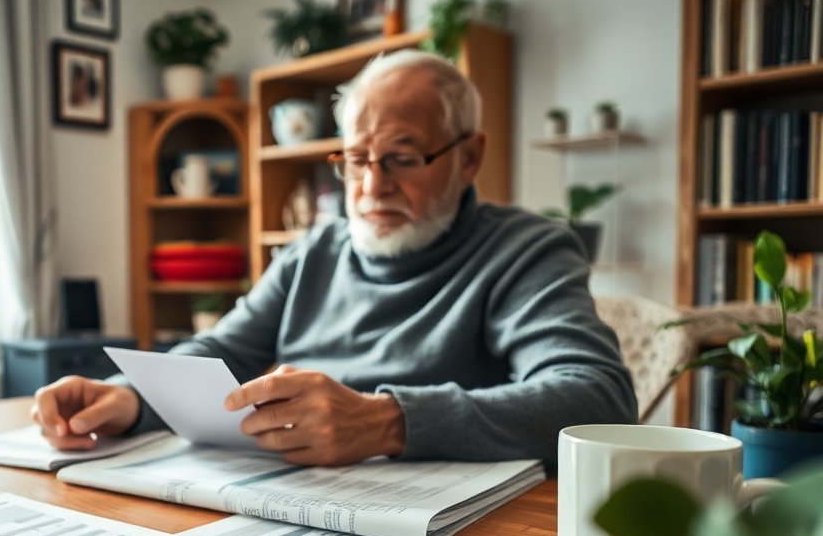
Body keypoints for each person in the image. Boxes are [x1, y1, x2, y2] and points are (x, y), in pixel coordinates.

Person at [32, 50, 636, 471]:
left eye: (401, 158)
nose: (371, 188)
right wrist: (131, 396)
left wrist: (386, 421)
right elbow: (224, 352)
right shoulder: (314, 251)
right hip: (291, 508)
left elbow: (597, 398)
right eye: (355, 160)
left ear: (469, 157)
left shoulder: (525, 250)